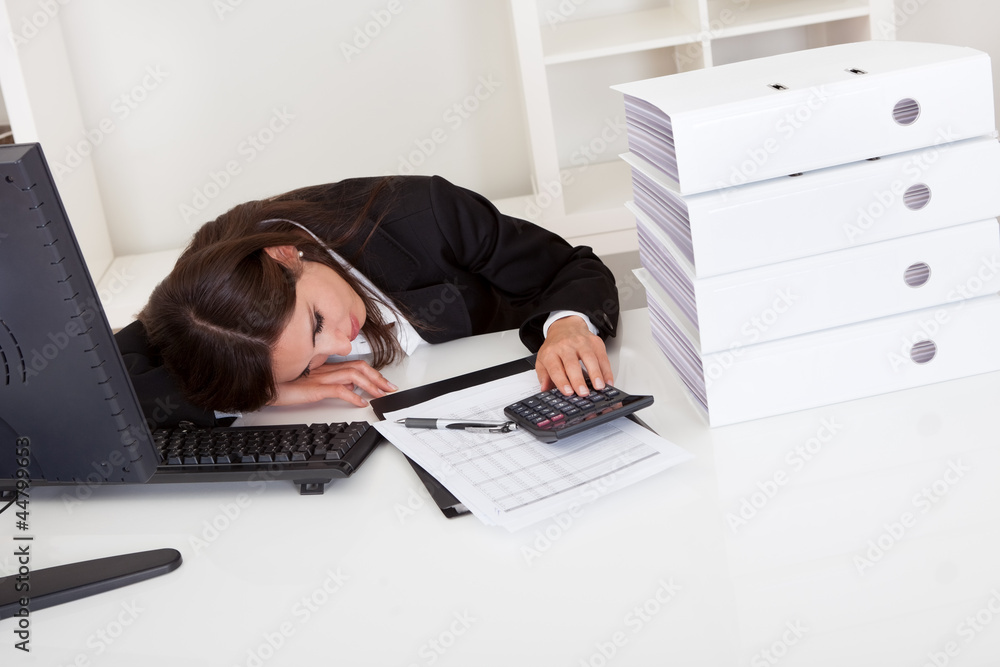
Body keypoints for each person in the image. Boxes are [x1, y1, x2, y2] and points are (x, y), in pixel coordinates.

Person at [115, 175, 620, 428]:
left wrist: (566, 325)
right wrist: (264, 393)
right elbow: (110, 396)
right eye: (308, 362)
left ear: (286, 256)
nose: (340, 345)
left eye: (317, 323)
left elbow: (570, 266)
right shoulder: (201, 311)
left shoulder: (428, 215)